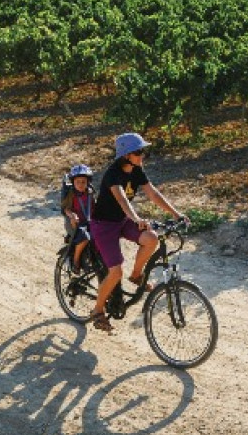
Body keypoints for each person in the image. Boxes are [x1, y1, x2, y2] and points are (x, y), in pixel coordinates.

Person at [87, 132, 189, 334]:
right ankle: (97, 310)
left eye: (143, 151)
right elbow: (122, 199)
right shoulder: (112, 174)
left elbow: (153, 193)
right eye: (138, 151)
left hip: (123, 220)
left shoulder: (137, 170)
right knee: (115, 272)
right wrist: (137, 219)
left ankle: (136, 276)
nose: (142, 155)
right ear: (126, 155)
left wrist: (177, 214)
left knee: (151, 239)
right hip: (104, 224)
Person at [60, 164, 94, 274]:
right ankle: (76, 260)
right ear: (73, 182)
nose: (80, 184)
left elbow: (94, 207)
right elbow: (66, 209)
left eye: (83, 182)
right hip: (73, 223)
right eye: (77, 182)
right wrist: (72, 215)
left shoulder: (90, 193)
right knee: (85, 237)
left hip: (87, 221)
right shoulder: (71, 194)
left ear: (88, 182)